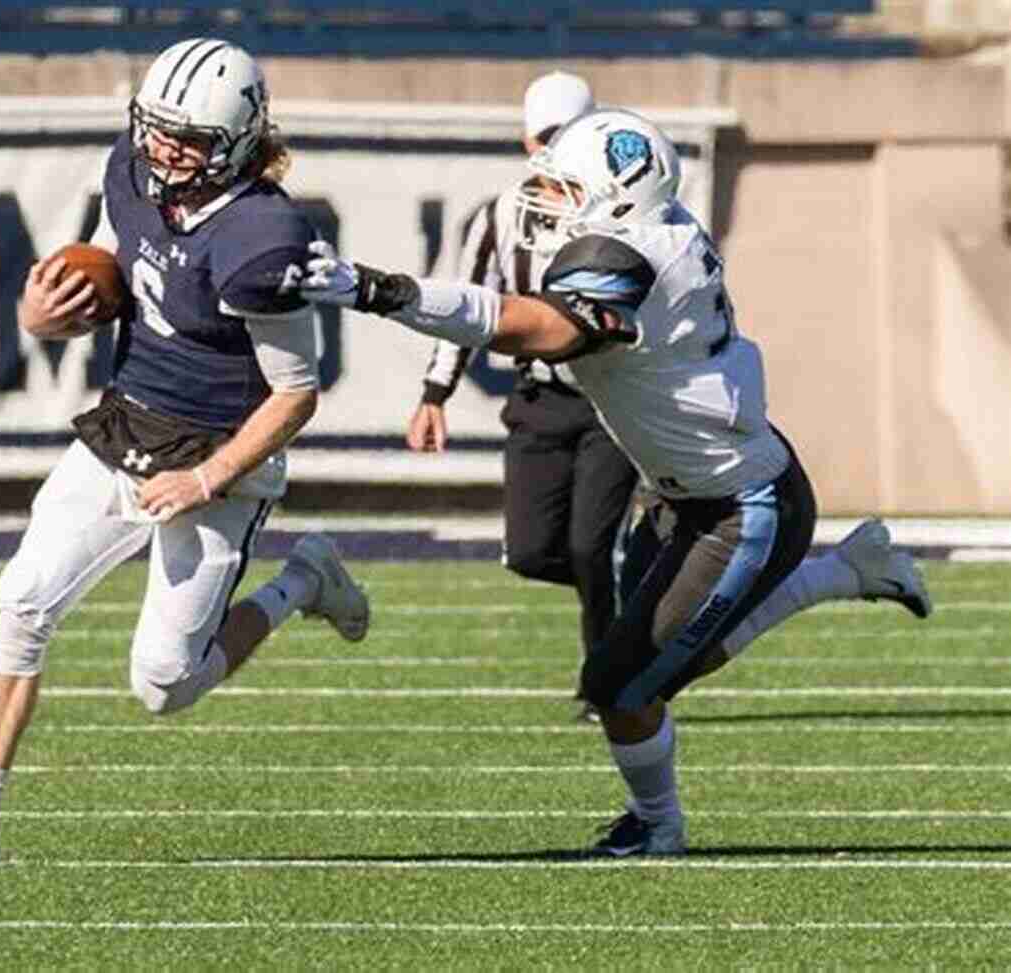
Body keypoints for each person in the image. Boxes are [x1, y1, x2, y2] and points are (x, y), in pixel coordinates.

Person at [298, 108, 931, 856]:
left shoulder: (623, 258)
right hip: (698, 485)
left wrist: (384, 292)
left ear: (616, 199)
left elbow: (527, 326)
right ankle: (849, 570)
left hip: (738, 506)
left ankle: (659, 825)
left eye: (566, 189)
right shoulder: (657, 227)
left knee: (622, 684)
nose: (547, 199)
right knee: (663, 657)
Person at [0, 38, 369, 870]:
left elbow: (295, 394)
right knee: (23, 601)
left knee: (165, 684)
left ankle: (302, 581)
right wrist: (48, 316)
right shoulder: (134, 170)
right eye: (158, 129)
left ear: (245, 137)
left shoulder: (264, 235)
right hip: (127, 422)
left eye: (191, 137)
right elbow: (109, 261)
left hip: (220, 456)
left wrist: (209, 476)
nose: (167, 150)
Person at [407, 71, 637, 722]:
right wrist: (434, 392)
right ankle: (640, 590)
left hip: (610, 402)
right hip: (540, 396)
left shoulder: (627, 216)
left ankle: (606, 681)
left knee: (593, 548)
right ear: (525, 140)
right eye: (547, 139)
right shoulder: (500, 216)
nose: (556, 156)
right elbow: (467, 309)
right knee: (532, 551)